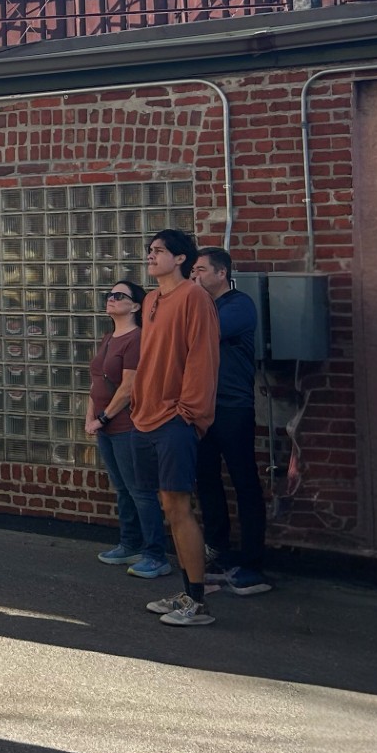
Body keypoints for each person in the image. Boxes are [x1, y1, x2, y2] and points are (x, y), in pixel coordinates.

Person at [129, 229, 221, 627]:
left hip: (175, 419)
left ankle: (197, 602)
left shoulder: (194, 297)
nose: (151, 256)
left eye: (159, 251)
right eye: (149, 250)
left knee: (180, 507)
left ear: (181, 258)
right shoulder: (150, 299)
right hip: (146, 415)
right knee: (167, 506)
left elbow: (203, 355)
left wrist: (190, 411)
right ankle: (185, 591)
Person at [189, 248, 271, 596]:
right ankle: (217, 548)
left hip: (233, 407)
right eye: (192, 270)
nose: (195, 276)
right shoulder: (199, 307)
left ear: (221, 274)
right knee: (206, 479)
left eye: (202, 270)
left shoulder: (238, 305)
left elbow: (199, 335)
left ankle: (253, 563)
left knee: (244, 482)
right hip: (201, 407)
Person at [87, 277, 172, 578]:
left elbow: (128, 386)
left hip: (125, 425)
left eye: (120, 296)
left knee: (140, 490)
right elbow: (96, 379)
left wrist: (105, 417)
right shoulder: (108, 337)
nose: (112, 299)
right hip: (104, 425)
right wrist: (90, 417)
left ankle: (155, 554)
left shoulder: (136, 339)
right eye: (110, 294)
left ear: (136, 305)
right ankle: (130, 544)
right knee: (122, 488)